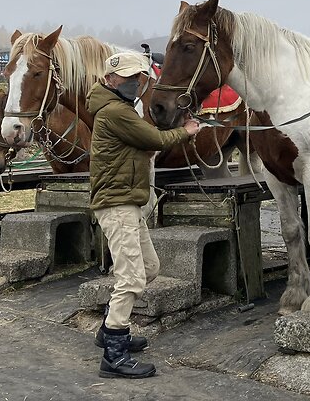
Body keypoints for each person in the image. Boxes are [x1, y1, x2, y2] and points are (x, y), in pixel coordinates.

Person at [86, 51, 200, 379]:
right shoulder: (114, 111)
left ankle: (110, 327)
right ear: (110, 80)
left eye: (138, 77)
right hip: (117, 204)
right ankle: (114, 355)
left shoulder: (118, 109)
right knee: (132, 277)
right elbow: (153, 137)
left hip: (127, 202)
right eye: (128, 78)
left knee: (149, 268)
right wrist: (187, 130)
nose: (135, 82)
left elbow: (138, 144)